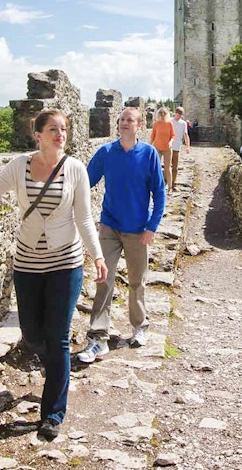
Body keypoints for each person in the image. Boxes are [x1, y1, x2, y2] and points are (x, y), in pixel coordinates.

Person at [0, 110, 107, 441]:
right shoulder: (20, 166)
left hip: (65, 263)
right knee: (32, 334)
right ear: (38, 134)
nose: (60, 134)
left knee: (58, 336)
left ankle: (53, 413)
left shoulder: (75, 170)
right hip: (28, 264)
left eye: (64, 129)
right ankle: (58, 371)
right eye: (53, 129)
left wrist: (98, 255)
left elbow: (85, 219)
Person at [77, 107, 166, 364]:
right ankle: (98, 338)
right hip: (110, 226)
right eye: (122, 119)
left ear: (139, 126)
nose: (125, 123)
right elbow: (85, 181)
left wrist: (152, 226)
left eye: (131, 120)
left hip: (138, 229)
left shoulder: (148, 154)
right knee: (104, 279)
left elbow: (159, 193)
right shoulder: (106, 152)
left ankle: (140, 327)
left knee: (137, 281)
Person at [150, 106, 175, 192]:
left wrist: (171, 142)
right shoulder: (156, 124)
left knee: (167, 168)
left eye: (164, 114)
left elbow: (173, 136)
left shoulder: (169, 124)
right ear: (158, 115)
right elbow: (152, 136)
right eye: (161, 114)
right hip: (157, 148)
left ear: (167, 115)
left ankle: (170, 187)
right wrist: (148, 147)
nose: (162, 115)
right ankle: (157, 186)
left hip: (167, 149)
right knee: (156, 167)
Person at [170, 106, 190, 191]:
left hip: (177, 147)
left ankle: (173, 184)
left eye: (180, 115)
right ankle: (167, 183)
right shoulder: (170, 121)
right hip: (168, 146)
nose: (178, 116)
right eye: (177, 114)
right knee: (167, 167)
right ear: (175, 113)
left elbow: (186, 135)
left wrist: (188, 146)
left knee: (175, 167)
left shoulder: (183, 123)